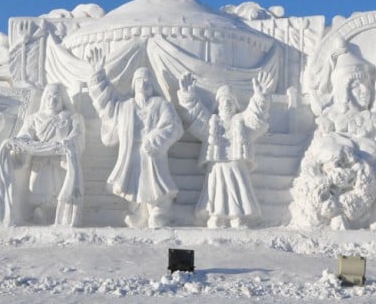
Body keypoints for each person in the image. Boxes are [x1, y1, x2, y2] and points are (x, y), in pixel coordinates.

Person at [86, 49, 183, 228]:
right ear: (134, 84)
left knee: (157, 186)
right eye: (139, 80)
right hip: (132, 154)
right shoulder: (125, 106)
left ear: (152, 85)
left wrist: (155, 139)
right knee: (134, 185)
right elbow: (107, 103)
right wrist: (98, 76)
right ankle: (138, 214)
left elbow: (174, 126)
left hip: (153, 155)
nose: (143, 84)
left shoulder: (160, 104)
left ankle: (159, 214)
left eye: (147, 81)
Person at [177, 71, 273, 228]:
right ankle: (217, 215)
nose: (226, 104)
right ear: (218, 105)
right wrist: (188, 95)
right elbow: (197, 114)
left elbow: (254, 116)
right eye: (223, 101)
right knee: (216, 189)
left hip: (236, 161)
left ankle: (238, 216)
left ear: (234, 104)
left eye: (229, 101)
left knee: (238, 187)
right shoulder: (212, 121)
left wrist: (259, 97)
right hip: (216, 163)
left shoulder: (240, 121)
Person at [0, 83, 85, 226]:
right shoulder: (34, 119)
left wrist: (66, 144)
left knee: (60, 189)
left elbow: (77, 136)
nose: (52, 101)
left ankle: (59, 216)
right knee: (36, 190)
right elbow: (25, 136)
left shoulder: (73, 118)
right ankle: (39, 213)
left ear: (63, 100)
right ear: (44, 99)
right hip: (39, 163)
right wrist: (17, 142)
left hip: (59, 163)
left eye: (56, 98)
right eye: (49, 97)